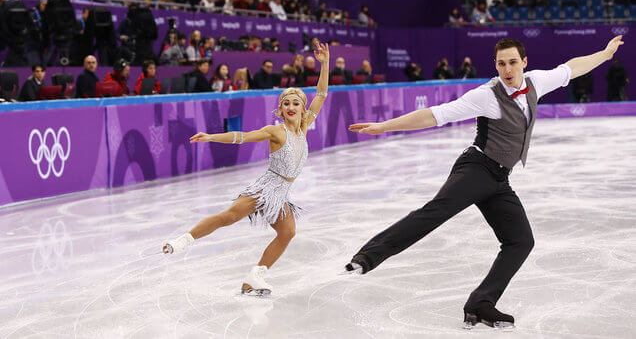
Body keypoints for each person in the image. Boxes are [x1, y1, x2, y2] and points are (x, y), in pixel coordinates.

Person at [343, 36, 625, 329]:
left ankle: (481, 303)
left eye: (513, 62)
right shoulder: (487, 95)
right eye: (501, 63)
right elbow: (436, 115)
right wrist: (385, 126)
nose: (508, 69)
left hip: (500, 179)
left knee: (521, 241)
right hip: (476, 168)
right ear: (496, 65)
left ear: (524, 63)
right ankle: (367, 257)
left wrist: (605, 54)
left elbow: (571, 69)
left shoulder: (536, 82)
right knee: (436, 212)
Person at [163, 42, 331, 296]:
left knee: (287, 233)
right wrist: (211, 137)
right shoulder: (276, 131)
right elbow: (242, 136)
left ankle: (255, 276)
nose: (291, 107)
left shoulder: (304, 126)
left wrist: (325, 63)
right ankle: (185, 239)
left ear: (302, 108)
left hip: (281, 194)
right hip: (265, 188)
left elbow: (321, 94)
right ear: (281, 109)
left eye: (295, 103)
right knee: (229, 216)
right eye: (286, 103)